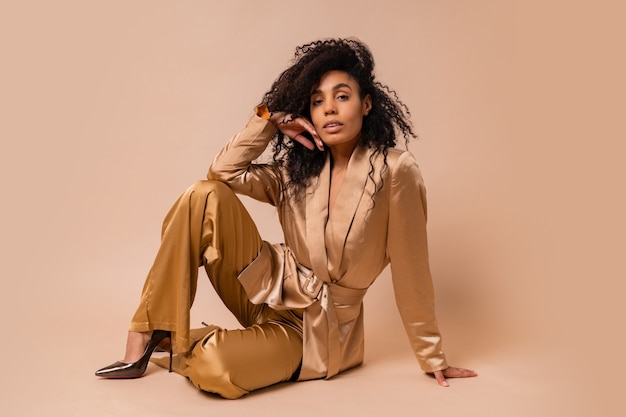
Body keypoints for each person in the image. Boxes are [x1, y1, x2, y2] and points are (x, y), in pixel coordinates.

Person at [95, 38, 477, 399]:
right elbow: (222, 173)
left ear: (366, 104)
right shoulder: (296, 170)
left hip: (318, 331)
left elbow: (412, 267)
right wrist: (269, 122)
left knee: (216, 367)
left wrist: (432, 356)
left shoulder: (396, 171)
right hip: (265, 291)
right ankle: (146, 330)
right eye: (317, 101)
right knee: (201, 194)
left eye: (341, 97)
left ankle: (187, 338)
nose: (328, 108)